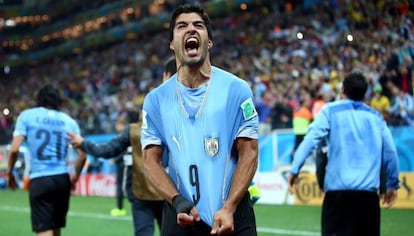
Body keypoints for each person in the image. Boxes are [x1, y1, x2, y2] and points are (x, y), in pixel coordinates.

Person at [141, 4, 259, 236]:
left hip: (233, 214)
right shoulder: (155, 100)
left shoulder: (236, 90)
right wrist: (176, 200)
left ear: (209, 41)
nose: (191, 30)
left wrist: (229, 207)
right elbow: (150, 161)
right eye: (182, 26)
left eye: (199, 25)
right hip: (181, 215)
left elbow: (250, 152)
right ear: (172, 44)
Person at [288, 71, 400, 236]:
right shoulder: (376, 117)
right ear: (364, 94)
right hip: (368, 199)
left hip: (338, 197)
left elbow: (311, 139)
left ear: (342, 90)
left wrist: (294, 169)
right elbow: (390, 151)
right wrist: (392, 184)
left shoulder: (330, 111)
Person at [7, 84, 87, 236]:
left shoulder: (27, 116)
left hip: (40, 179)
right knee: (56, 230)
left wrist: (10, 173)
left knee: (44, 230)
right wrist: (75, 176)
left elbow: (14, 149)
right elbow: (83, 154)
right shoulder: (68, 121)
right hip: (61, 179)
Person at [67, 110, 164, 236]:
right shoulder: (172, 128)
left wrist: (83, 143)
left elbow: (106, 150)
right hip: (168, 193)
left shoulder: (133, 130)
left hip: (141, 192)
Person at [110, 116, 128, 217]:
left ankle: (120, 208)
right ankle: (120, 207)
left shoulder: (123, 136)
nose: (116, 127)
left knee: (120, 187)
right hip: (123, 164)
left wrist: (115, 160)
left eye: (118, 125)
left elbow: (124, 152)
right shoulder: (123, 135)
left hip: (122, 164)